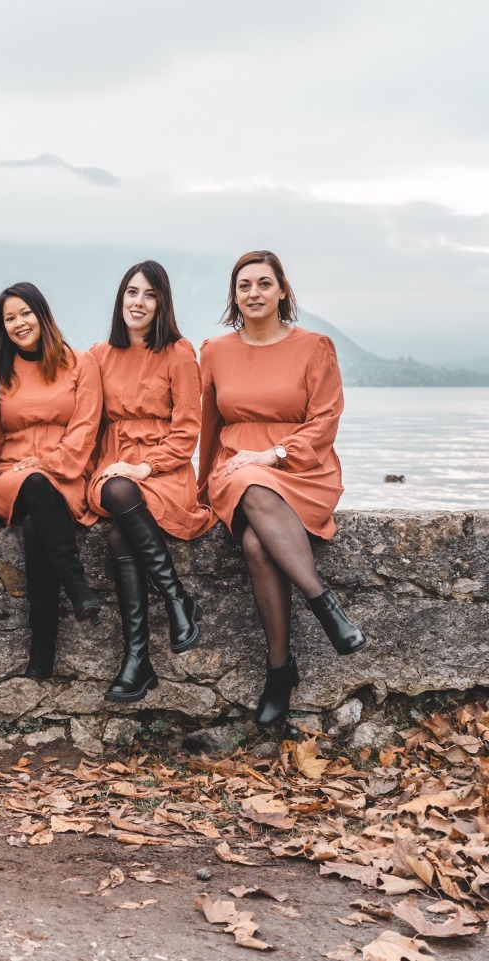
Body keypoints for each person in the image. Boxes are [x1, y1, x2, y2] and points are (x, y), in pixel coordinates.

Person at [199, 250, 366, 727]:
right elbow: (209, 425)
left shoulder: (314, 346)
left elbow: (326, 417)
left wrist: (274, 454)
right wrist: (201, 487)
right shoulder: (214, 351)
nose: (254, 292)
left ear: (282, 291)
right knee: (246, 478)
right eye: (244, 285)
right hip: (236, 467)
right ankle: (324, 606)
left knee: (257, 543)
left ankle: (279, 671)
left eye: (264, 283)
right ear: (234, 296)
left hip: (301, 467)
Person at [85, 262, 216, 702]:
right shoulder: (98, 355)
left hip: (165, 470)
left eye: (149, 295)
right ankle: (177, 598)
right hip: (114, 465)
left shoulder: (179, 352)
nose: (138, 302)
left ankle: (137, 660)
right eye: (131, 292)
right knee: (115, 486)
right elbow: (86, 422)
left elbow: (188, 429)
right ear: (120, 298)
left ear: (162, 304)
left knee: (121, 534)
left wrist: (146, 466)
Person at [0, 281, 102, 680]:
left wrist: (51, 462)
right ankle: (77, 584)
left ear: (42, 314)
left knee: (36, 524)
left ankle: (42, 647)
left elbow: (85, 428)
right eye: (9, 318)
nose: (18, 323)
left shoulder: (80, 363)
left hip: (67, 473)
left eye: (25, 313)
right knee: (32, 483)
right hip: (12, 475)